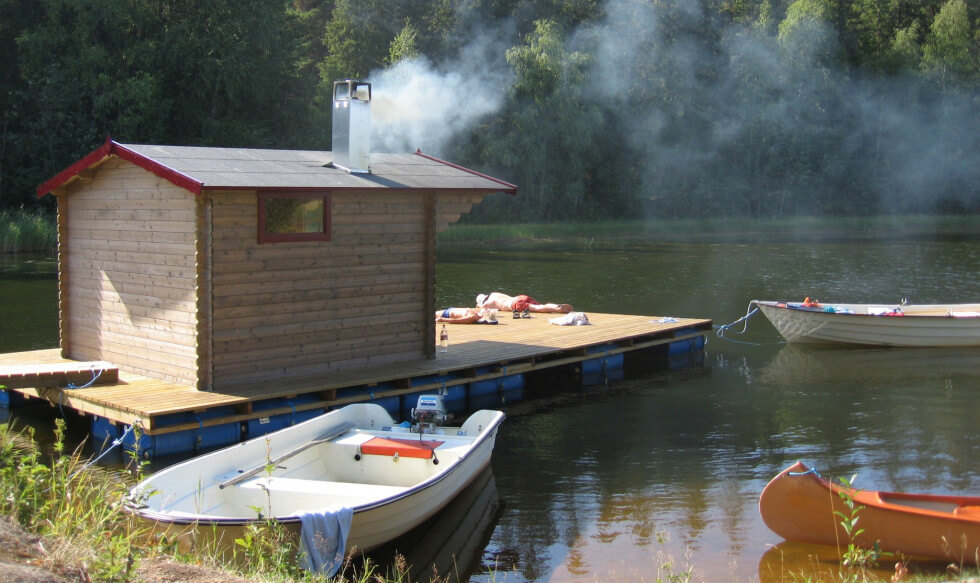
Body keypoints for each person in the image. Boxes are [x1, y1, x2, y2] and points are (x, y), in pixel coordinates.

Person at [476, 292, 572, 315]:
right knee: (541, 305)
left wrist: (478, 306)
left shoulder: (487, 303)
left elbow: (480, 310)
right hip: (520, 297)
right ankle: (556, 305)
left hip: (515, 304)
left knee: (539, 309)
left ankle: (558, 309)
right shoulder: (494, 294)